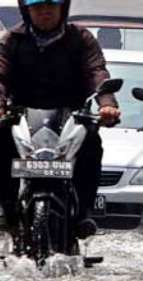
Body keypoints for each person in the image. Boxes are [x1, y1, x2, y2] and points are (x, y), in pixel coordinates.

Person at [0, 0, 121, 237]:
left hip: (70, 117)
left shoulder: (81, 39)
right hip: (22, 117)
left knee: (92, 142)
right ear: (27, 10)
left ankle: (84, 212)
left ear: (63, 7)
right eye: (38, 7)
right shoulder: (11, 40)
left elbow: (97, 71)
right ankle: (8, 210)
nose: (45, 12)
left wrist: (107, 105)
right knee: (1, 139)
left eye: (51, 6)